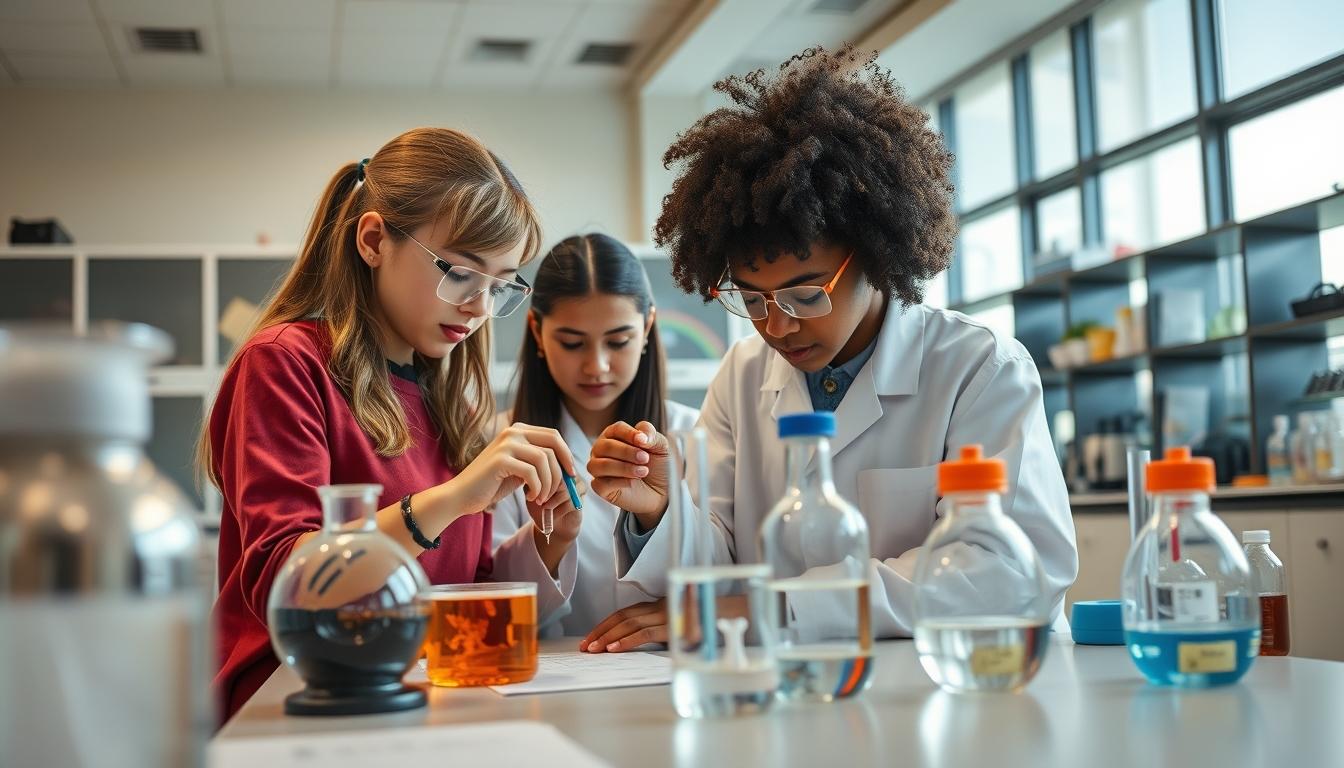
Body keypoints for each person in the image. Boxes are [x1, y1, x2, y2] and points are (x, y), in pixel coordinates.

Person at [582, 48, 1078, 653]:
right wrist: (658, 511)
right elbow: (720, 560)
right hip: (802, 684)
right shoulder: (743, 375)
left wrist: (778, 608)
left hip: (962, 678)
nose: (777, 326)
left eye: (804, 295)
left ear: (875, 257)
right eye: (752, 299)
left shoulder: (979, 368)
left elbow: (1007, 571)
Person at [202, 128, 583, 719]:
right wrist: (451, 498)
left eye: (500, 286)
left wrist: (549, 540)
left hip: (417, 702)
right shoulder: (284, 363)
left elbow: (458, 588)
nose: (480, 307)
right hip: (294, 706)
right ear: (374, 240)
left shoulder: (451, 403)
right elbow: (287, 579)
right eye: (461, 273)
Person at [492, 233, 699, 638]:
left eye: (618, 341)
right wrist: (550, 541)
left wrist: (655, 517)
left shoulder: (694, 435)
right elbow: (492, 603)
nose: (597, 366)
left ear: (647, 327)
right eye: (572, 343)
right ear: (537, 331)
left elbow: (719, 579)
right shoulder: (497, 444)